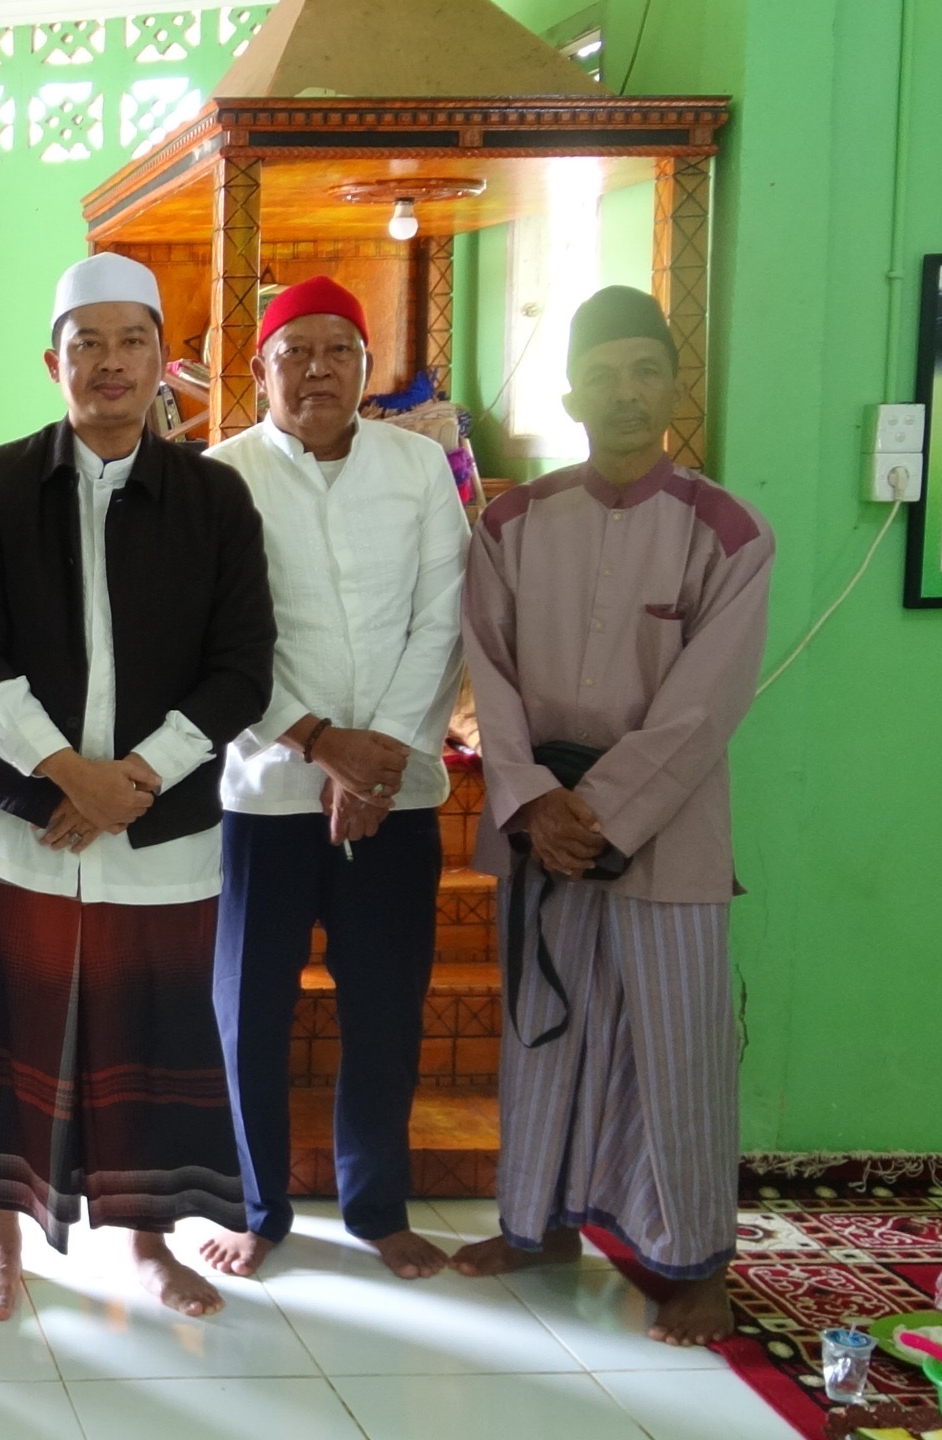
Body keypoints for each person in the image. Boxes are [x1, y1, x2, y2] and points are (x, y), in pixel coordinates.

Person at [0, 254, 275, 1322]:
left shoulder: (213, 496)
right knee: (14, 1033)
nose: (110, 363)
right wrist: (65, 774)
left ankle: (146, 1246)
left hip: (157, 824)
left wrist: (134, 777)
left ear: (162, 360)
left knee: (151, 1038)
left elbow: (243, 664)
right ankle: (1, 1243)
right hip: (31, 818)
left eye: (132, 341)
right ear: (54, 363)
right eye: (87, 344)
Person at [449, 286, 773, 1348]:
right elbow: (485, 673)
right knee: (542, 1034)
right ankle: (536, 1225)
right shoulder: (511, 524)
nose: (625, 393)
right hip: (539, 827)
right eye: (603, 373)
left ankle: (696, 1262)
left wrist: (600, 808)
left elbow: (705, 702)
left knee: (676, 1048)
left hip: (666, 835)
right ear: (570, 393)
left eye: (646, 372)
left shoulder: (728, 532)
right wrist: (532, 799)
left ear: (677, 388)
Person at [198, 277, 469, 1282]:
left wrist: (381, 752)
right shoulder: (221, 477)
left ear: (366, 367)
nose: (317, 370)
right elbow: (217, 639)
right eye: (295, 353)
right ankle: (255, 1208)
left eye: (338, 352)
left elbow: (443, 616)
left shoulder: (418, 467)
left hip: (394, 798)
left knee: (386, 1007)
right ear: (259, 370)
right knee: (249, 1010)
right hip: (264, 794)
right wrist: (319, 744)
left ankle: (377, 1207)